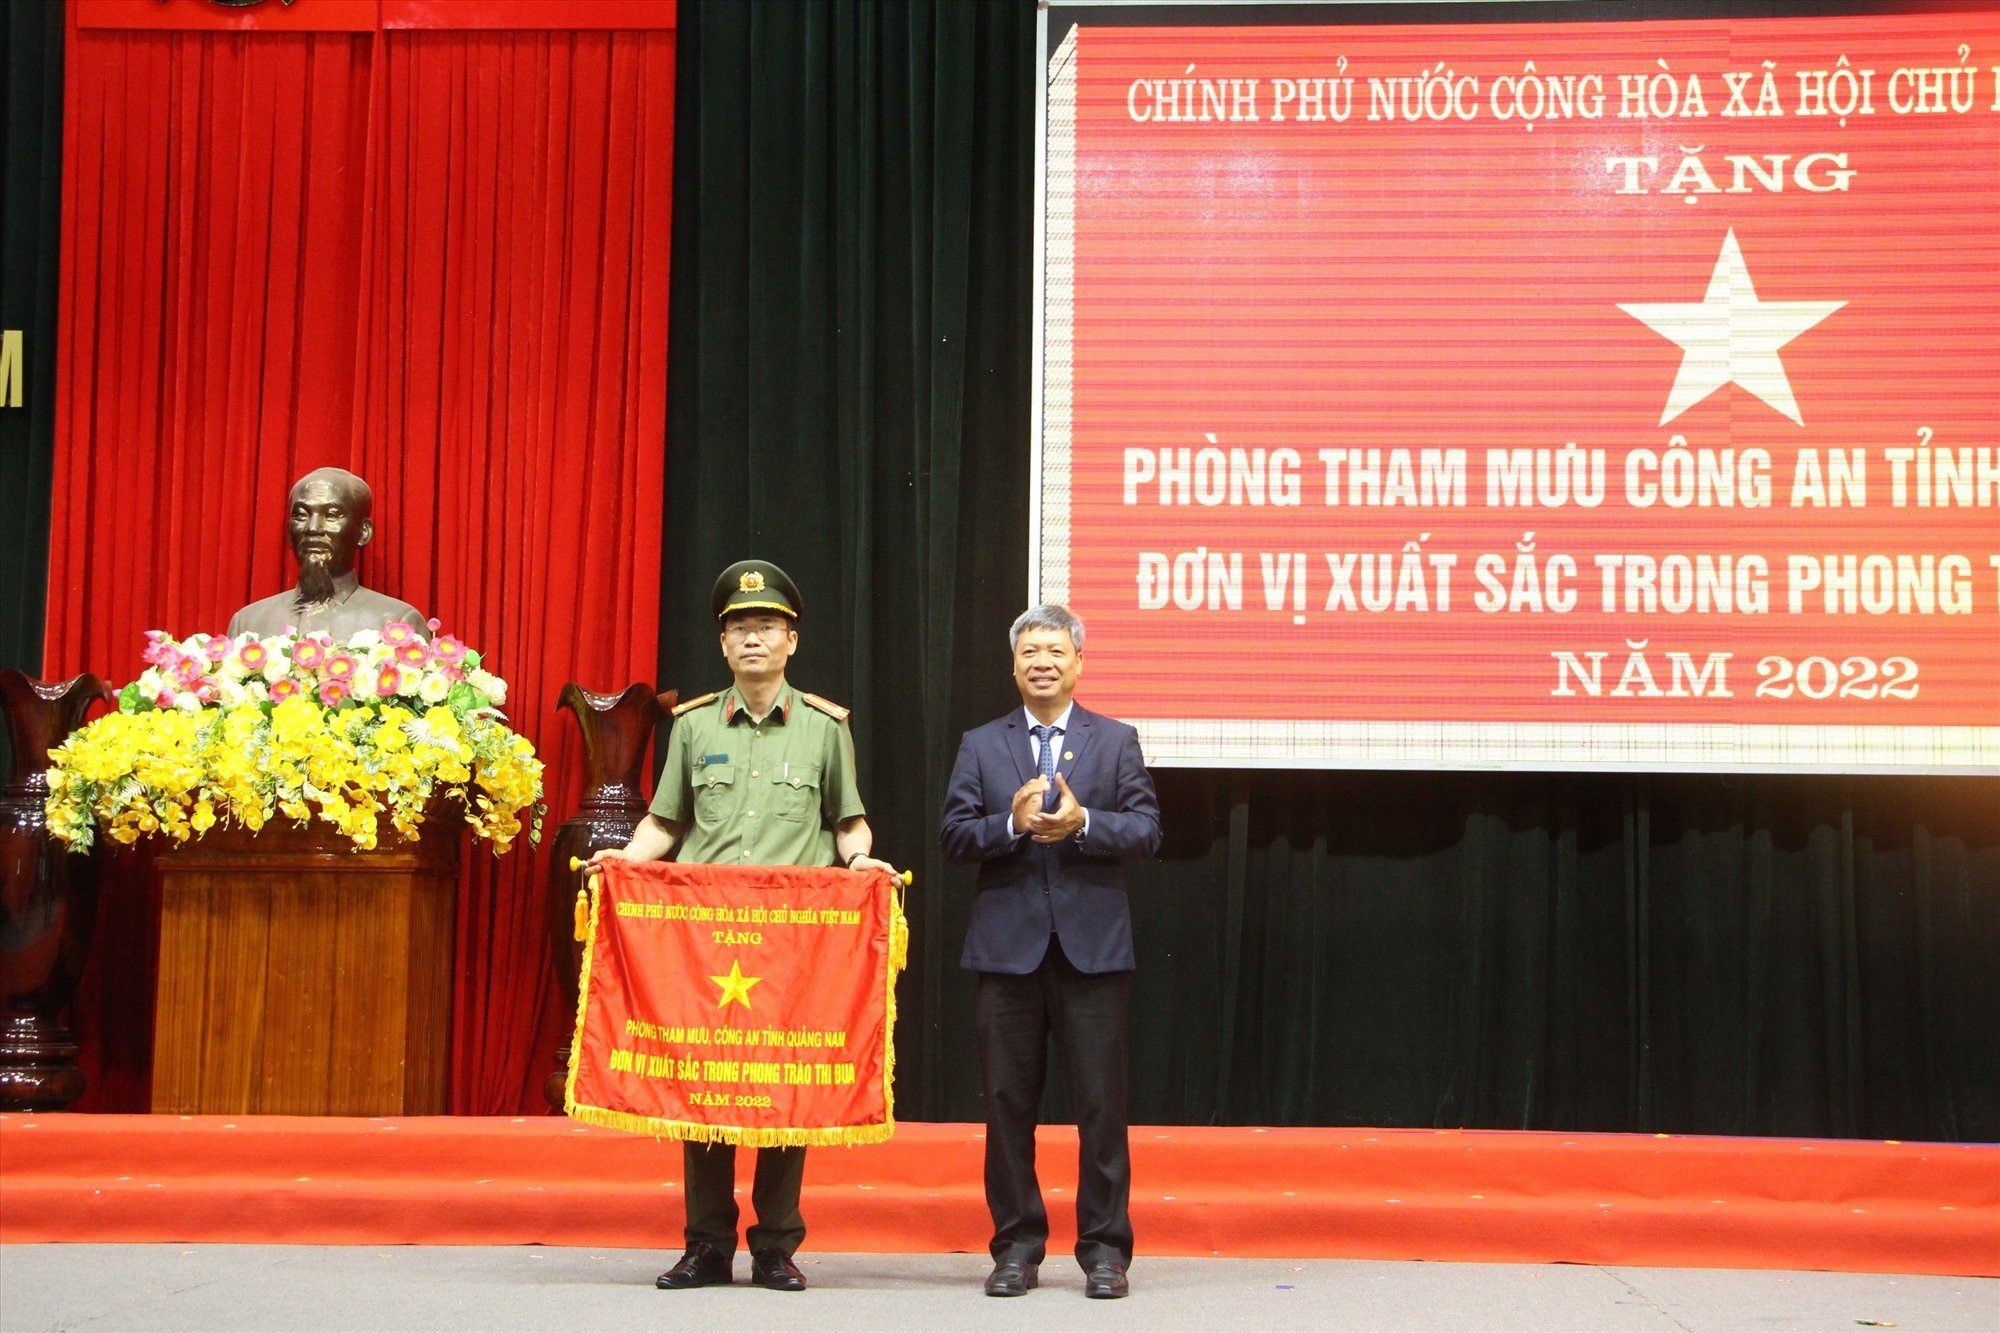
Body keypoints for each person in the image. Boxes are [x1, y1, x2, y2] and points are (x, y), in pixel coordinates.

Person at [593, 559, 894, 1293]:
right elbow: (665, 822)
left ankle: (776, 1245)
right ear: (723, 646)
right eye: (738, 628)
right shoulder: (693, 726)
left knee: (784, 1083)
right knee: (706, 1084)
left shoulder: (825, 729)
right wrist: (623, 862)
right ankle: (706, 1244)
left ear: (791, 640)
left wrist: (862, 861)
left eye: (764, 627)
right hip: (706, 936)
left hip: (794, 942)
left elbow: (846, 820)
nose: (751, 639)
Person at [939, 604, 1161, 1300]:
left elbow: (1147, 828)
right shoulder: (981, 743)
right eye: (1029, 650)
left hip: (1092, 952)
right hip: (1008, 955)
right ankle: (1016, 1246)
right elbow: (953, 834)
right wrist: (1009, 821)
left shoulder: (1115, 739)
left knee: (1101, 1105)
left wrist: (1083, 821)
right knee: (1007, 1107)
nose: (1042, 661)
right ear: (1013, 665)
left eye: (1055, 650)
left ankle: (1104, 1250)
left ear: (1078, 662)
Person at [227, 468, 426, 640]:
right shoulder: (248, 624)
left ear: (363, 532)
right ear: (288, 532)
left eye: (331, 515)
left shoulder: (397, 623)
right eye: (301, 515)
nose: (313, 528)